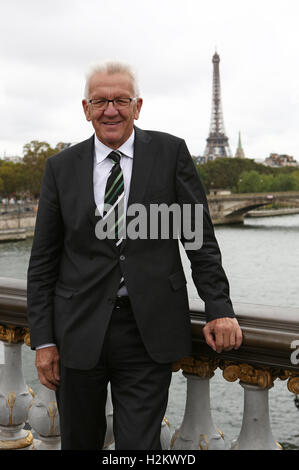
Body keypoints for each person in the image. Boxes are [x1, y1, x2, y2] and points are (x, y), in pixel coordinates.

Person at [27, 61, 242, 450]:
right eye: (100, 101)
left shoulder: (171, 152)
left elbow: (199, 239)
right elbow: (42, 263)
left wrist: (219, 306)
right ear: (86, 108)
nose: (111, 110)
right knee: (78, 442)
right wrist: (43, 341)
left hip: (148, 330)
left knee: (140, 448)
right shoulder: (59, 168)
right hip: (76, 331)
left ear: (138, 106)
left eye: (121, 100)